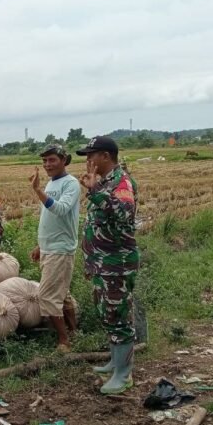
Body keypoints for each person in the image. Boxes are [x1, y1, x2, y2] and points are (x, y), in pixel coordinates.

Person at [76, 136, 140, 395]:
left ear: (105, 156)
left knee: (117, 315)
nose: (88, 160)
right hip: (102, 262)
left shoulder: (121, 182)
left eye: (91, 155)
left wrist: (95, 191)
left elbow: (123, 213)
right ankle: (115, 362)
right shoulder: (104, 182)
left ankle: (124, 375)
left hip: (117, 263)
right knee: (107, 313)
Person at [28, 144, 80, 351]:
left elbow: (60, 210)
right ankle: (74, 333)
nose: (47, 164)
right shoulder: (51, 184)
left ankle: (63, 341)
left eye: (52, 160)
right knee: (62, 293)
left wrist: (38, 190)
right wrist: (41, 245)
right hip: (50, 247)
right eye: (45, 161)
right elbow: (48, 218)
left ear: (64, 160)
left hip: (61, 248)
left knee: (48, 296)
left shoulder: (71, 184)